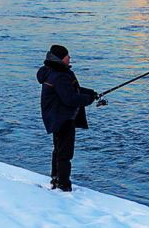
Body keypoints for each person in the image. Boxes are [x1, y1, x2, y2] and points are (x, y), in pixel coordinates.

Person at [36, 44, 98, 192]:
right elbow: (70, 98)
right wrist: (88, 100)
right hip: (62, 118)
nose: (69, 58)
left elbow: (72, 90)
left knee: (58, 150)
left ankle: (56, 179)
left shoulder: (54, 72)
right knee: (65, 153)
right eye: (67, 55)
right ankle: (63, 185)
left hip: (56, 117)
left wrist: (91, 93)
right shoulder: (59, 75)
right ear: (60, 58)